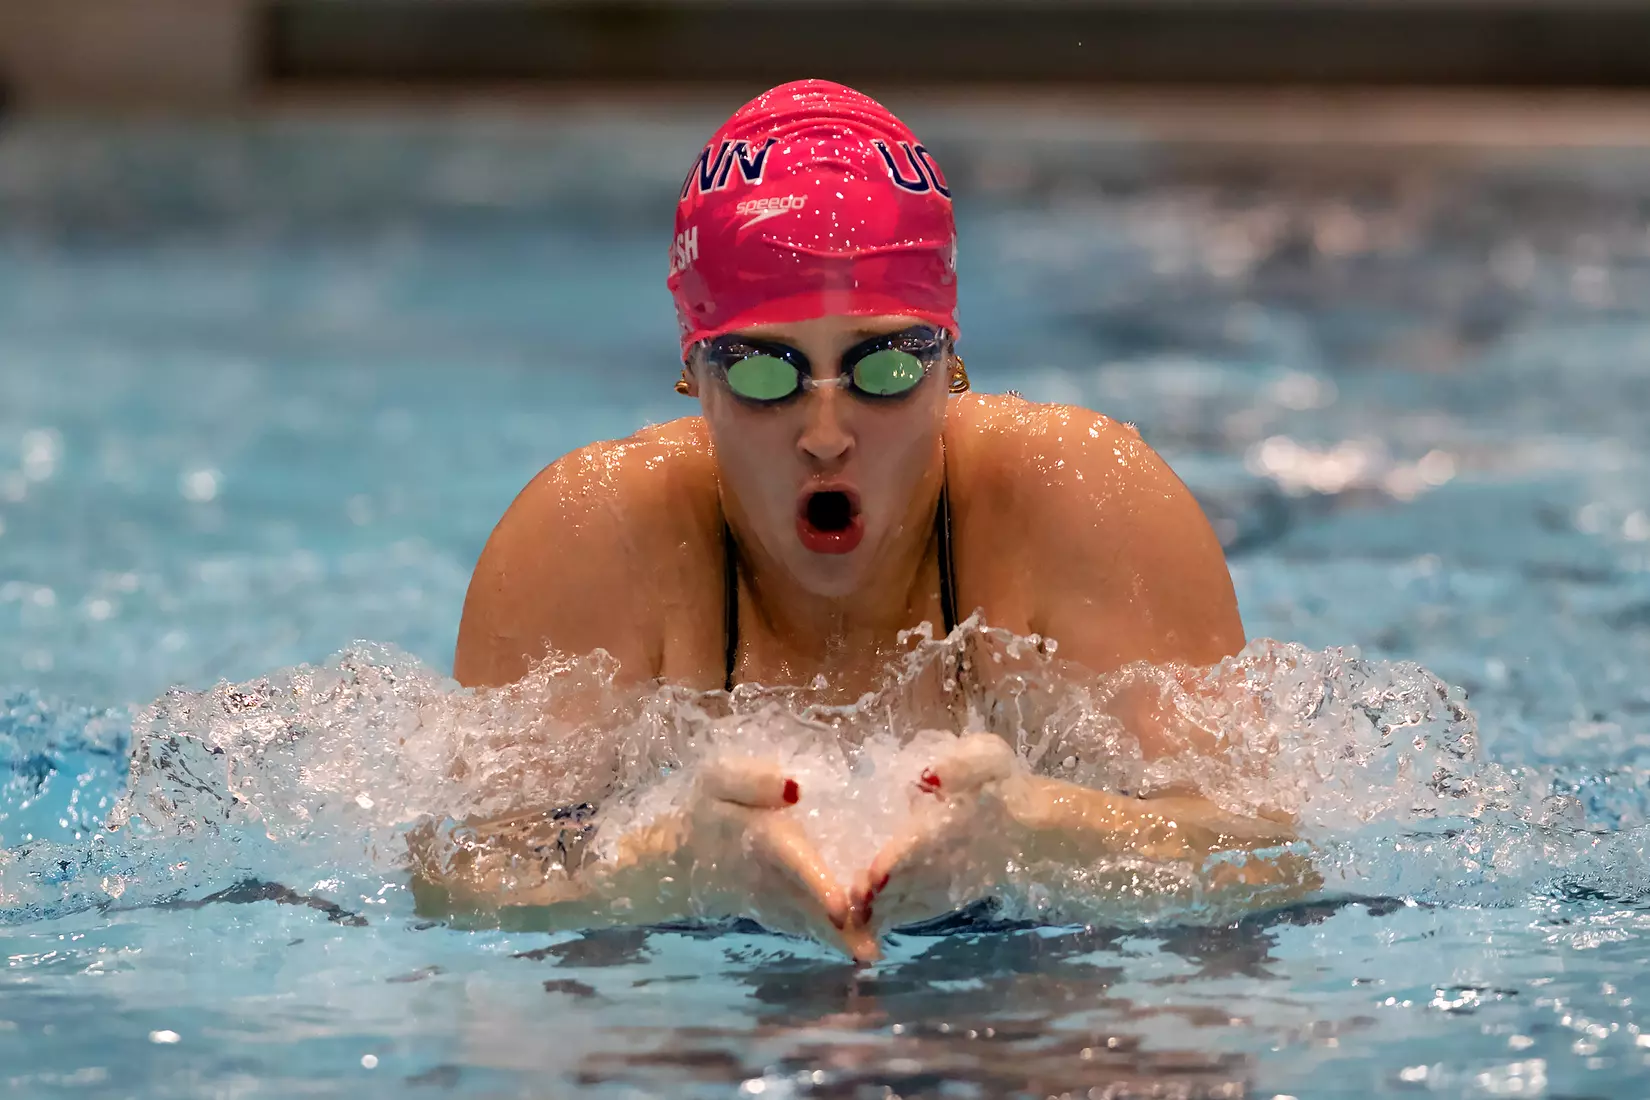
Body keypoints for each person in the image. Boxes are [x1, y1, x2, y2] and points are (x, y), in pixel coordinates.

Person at [424, 80, 1299, 963]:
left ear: (950, 362)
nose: (826, 435)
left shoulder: (1087, 502)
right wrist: (668, 864)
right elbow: (459, 881)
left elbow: (1270, 855)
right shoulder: (592, 537)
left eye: (883, 368)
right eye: (766, 372)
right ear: (693, 371)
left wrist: (1037, 831)